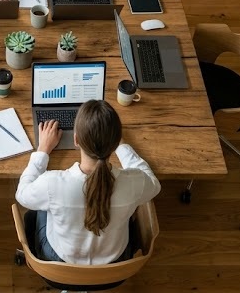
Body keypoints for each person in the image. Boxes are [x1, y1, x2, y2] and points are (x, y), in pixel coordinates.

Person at [15, 100, 160, 265]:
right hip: (114, 264)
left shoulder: (51, 184)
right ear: (115, 142)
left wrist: (42, 150)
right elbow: (153, 183)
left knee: (41, 207)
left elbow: (22, 194)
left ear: (76, 140)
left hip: (60, 262)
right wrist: (122, 146)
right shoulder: (134, 183)